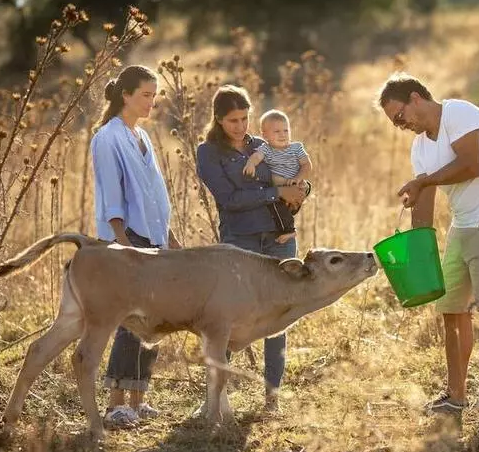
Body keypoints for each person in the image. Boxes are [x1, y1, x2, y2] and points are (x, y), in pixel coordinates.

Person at [377, 73, 479, 418]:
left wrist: (425, 180)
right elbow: (424, 203)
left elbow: (472, 165)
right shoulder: (420, 147)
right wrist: (415, 254)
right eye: (394, 124)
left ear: (416, 98)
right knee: (451, 311)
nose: (401, 125)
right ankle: (455, 397)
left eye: (400, 116)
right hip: (463, 226)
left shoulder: (458, 112)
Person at [196, 85, 308, 412]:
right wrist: (276, 193)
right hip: (240, 242)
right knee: (228, 318)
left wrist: (301, 189)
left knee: (280, 312)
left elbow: (294, 175)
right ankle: (215, 398)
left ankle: (272, 397)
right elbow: (229, 200)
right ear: (218, 120)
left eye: (245, 118)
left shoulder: (261, 144)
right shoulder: (209, 153)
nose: (241, 126)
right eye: (233, 121)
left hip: (278, 238)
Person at [91, 65, 182, 429]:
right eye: (146, 94)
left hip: (154, 238)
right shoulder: (107, 137)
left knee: (154, 320)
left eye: (154, 94)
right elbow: (111, 196)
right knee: (130, 322)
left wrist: (171, 239)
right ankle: (115, 405)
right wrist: (123, 244)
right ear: (125, 95)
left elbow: (154, 197)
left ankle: (139, 399)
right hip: (127, 238)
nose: (152, 101)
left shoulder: (141, 136)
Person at [242, 109, 313, 244]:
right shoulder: (266, 149)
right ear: (265, 135)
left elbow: (306, 165)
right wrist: (251, 164)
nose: (282, 135)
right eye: (277, 131)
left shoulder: (296, 147)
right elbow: (256, 156)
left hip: (297, 184)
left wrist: (299, 178)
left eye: (286, 130)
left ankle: (294, 206)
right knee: (274, 204)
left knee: (306, 186)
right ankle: (288, 230)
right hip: (280, 190)